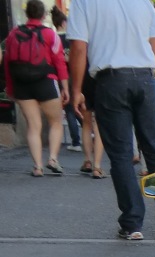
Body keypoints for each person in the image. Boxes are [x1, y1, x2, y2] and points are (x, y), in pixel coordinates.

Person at [68, 0, 155, 239]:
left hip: (111, 80)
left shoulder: (83, 2)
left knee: (121, 154)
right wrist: (154, 85)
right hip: (146, 78)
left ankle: (132, 224)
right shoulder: (143, 3)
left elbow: (79, 48)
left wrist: (76, 89)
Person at [4, 1, 69, 177]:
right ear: (43, 15)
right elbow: (59, 62)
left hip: (22, 85)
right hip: (46, 82)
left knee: (33, 126)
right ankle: (53, 159)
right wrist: (65, 87)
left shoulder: (13, 34)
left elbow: (8, 64)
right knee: (55, 122)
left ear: (27, 14)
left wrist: (10, 88)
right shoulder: (50, 34)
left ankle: (37, 166)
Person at [50, 7, 81, 153]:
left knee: (69, 109)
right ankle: (91, 131)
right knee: (81, 107)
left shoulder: (54, 39)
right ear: (64, 22)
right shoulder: (71, 38)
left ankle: (76, 141)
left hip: (62, 77)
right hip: (76, 75)